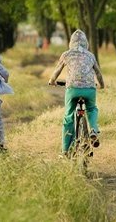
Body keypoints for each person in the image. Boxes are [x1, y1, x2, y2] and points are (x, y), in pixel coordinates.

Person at [48, 29, 105, 157]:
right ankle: (93, 131)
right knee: (91, 109)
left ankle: (65, 151)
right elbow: (98, 73)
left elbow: (57, 70)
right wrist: (101, 85)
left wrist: (52, 81)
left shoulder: (66, 54)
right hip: (89, 89)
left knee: (68, 116)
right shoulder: (91, 55)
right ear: (86, 43)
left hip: (72, 89)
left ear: (71, 42)